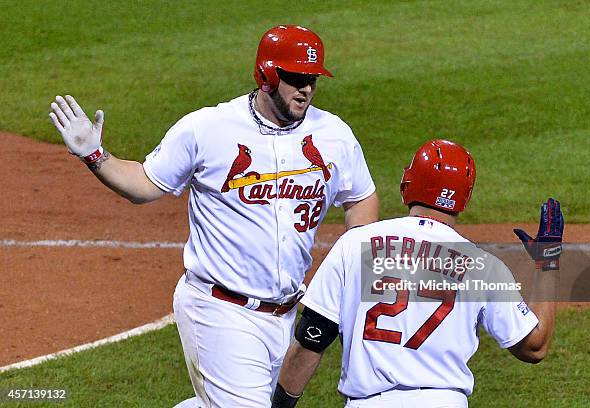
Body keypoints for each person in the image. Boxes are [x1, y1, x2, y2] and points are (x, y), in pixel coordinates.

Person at [49, 24, 379, 408]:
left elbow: (361, 198)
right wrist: (95, 155)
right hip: (219, 312)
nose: (305, 88)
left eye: (311, 79)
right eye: (294, 78)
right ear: (267, 74)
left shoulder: (333, 133)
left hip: (288, 316)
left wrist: (353, 269)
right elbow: (145, 184)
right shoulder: (208, 128)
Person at [272, 139, 563, 408]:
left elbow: (313, 337)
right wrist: (547, 263)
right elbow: (534, 347)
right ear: (464, 198)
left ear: (408, 184)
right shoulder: (482, 265)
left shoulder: (355, 244)